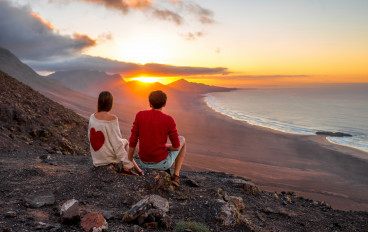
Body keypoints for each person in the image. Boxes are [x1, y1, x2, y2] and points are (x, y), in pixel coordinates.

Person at [127, 90, 186, 186]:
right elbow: (176, 147)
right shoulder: (168, 120)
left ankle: (174, 175)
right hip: (162, 164)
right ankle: (176, 176)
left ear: (150, 104)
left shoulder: (140, 115)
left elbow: (133, 140)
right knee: (183, 139)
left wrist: (129, 159)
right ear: (165, 104)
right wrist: (164, 147)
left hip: (143, 163)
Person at [88, 91, 143, 175]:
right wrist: (127, 163)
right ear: (110, 104)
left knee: (122, 141)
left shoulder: (92, 117)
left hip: (97, 159)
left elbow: (90, 137)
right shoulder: (112, 119)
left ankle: (138, 170)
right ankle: (129, 169)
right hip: (109, 158)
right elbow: (117, 145)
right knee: (125, 141)